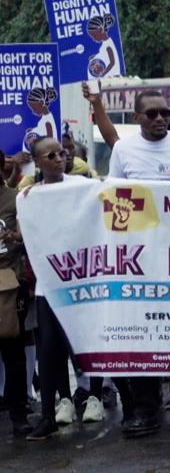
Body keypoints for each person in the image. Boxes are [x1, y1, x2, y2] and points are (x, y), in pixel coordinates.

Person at [108, 90, 170, 437]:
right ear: (137, 117)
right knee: (144, 335)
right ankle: (146, 410)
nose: (159, 119)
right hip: (141, 260)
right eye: (151, 114)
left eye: (164, 113)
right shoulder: (123, 150)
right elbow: (114, 198)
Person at [21, 138, 105, 439]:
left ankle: (101, 397)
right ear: (38, 162)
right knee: (49, 349)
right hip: (49, 285)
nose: (60, 158)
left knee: (88, 343)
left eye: (63, 152)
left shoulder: (82, 186)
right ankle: (49, 414)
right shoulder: (29, 196)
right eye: (51, 155)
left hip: (83, 281)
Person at [0, 153, 29, 436]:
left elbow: (27, 236)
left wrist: (15, 238)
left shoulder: (15, 198)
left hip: (9, 283)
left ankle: (19, 413)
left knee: (14, 353)